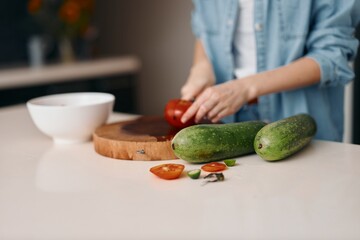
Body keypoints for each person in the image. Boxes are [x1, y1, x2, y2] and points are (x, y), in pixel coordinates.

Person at [180, 0, 360, 142]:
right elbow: (204, 30)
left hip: (299, 118)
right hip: (227, 116)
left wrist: (247, 87)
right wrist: (202, 66)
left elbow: (332, 56)